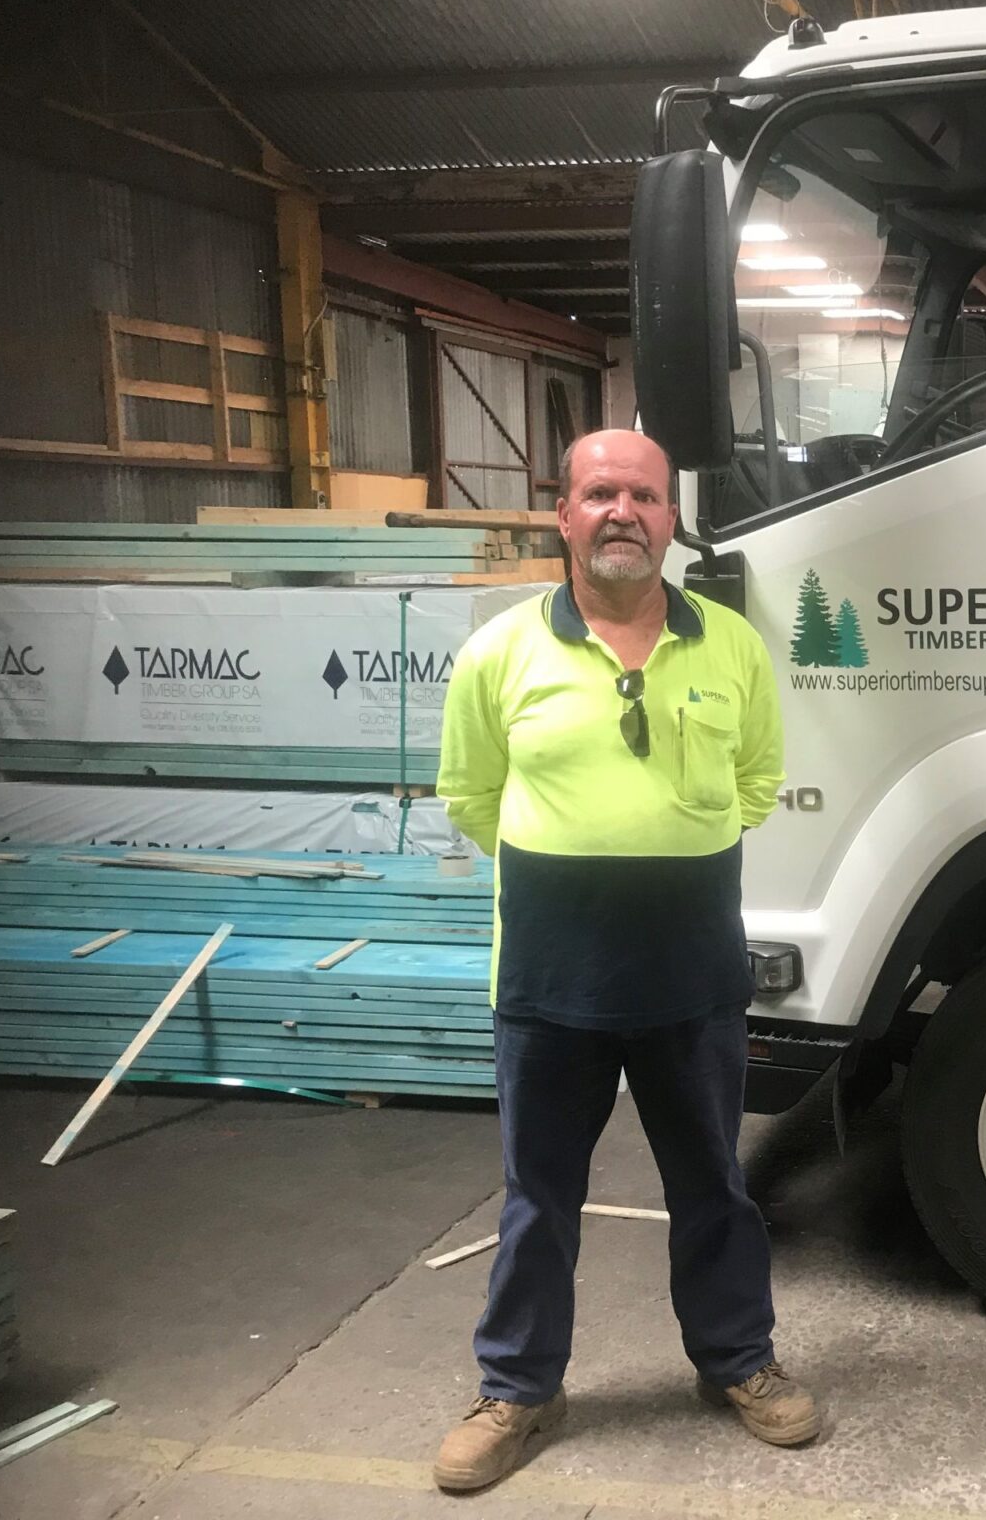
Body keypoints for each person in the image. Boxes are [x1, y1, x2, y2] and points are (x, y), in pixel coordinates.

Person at [431, 428, 819, 1493]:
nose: (622, 513)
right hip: (550, 985)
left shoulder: (730, 647)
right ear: (563, 514)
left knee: (713, 1190)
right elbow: (470, 795)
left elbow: (755, 783)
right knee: (536, 1198)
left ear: (668, 521)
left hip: (691, 978)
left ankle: (737, 1363)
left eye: (643, 496)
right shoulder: (501, 652)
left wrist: (660, 846)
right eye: (600, 493)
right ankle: (518, 1389)